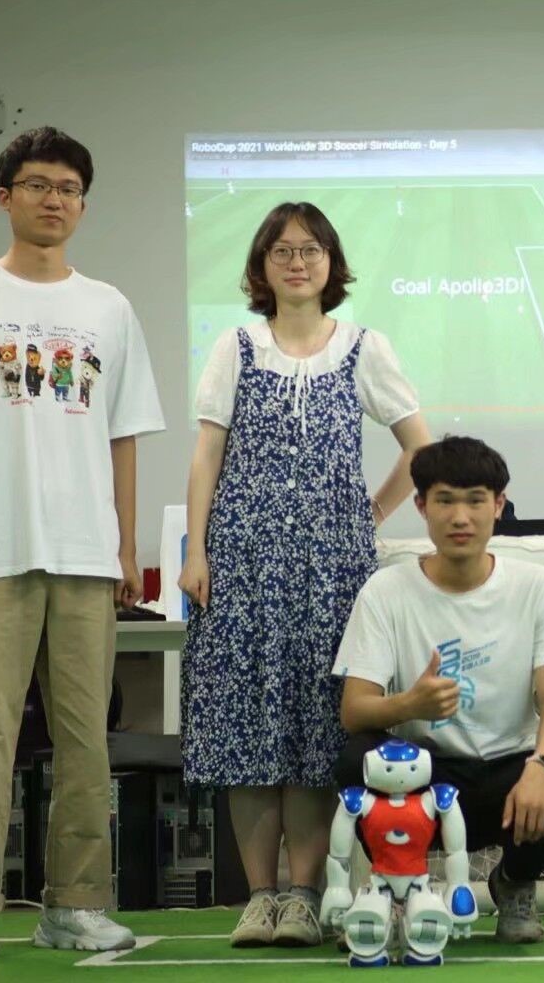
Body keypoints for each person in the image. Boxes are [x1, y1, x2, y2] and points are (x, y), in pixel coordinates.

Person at [0, 127, 164, 965]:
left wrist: (125, 545)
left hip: (86, 554)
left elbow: (123, 434)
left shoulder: (108, 307)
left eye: (70, 189)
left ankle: (75, 905)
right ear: (5, 196)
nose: (55, 200)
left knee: (86, 741)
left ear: (83, 205)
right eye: (39, 184)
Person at [178, 201, 431, 948]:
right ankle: (260, 897)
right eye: (283, 250)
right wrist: (197, 551)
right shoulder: (236, 346)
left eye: (311, 249)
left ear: (331, 263)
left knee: (319, 731)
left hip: (333, 570)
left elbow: (420, 447)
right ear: (262, 265)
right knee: (248, 731)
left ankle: (305, 895)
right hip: (243, 563)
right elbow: (206, 455)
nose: (297, 262)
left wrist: (370, 512)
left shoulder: (363, 347)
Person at [331, 436, 544, 944]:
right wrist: (410, 704)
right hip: (423, 776)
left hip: (509, 770)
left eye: (475, 500)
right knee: (354, 762)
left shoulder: (540, 587)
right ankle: (396, 890)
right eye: (445, 500)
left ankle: (513, 883)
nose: (460, 517)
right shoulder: (385, 591)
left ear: (498, 505)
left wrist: (540, 768)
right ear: (421, 506)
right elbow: (354, 711)